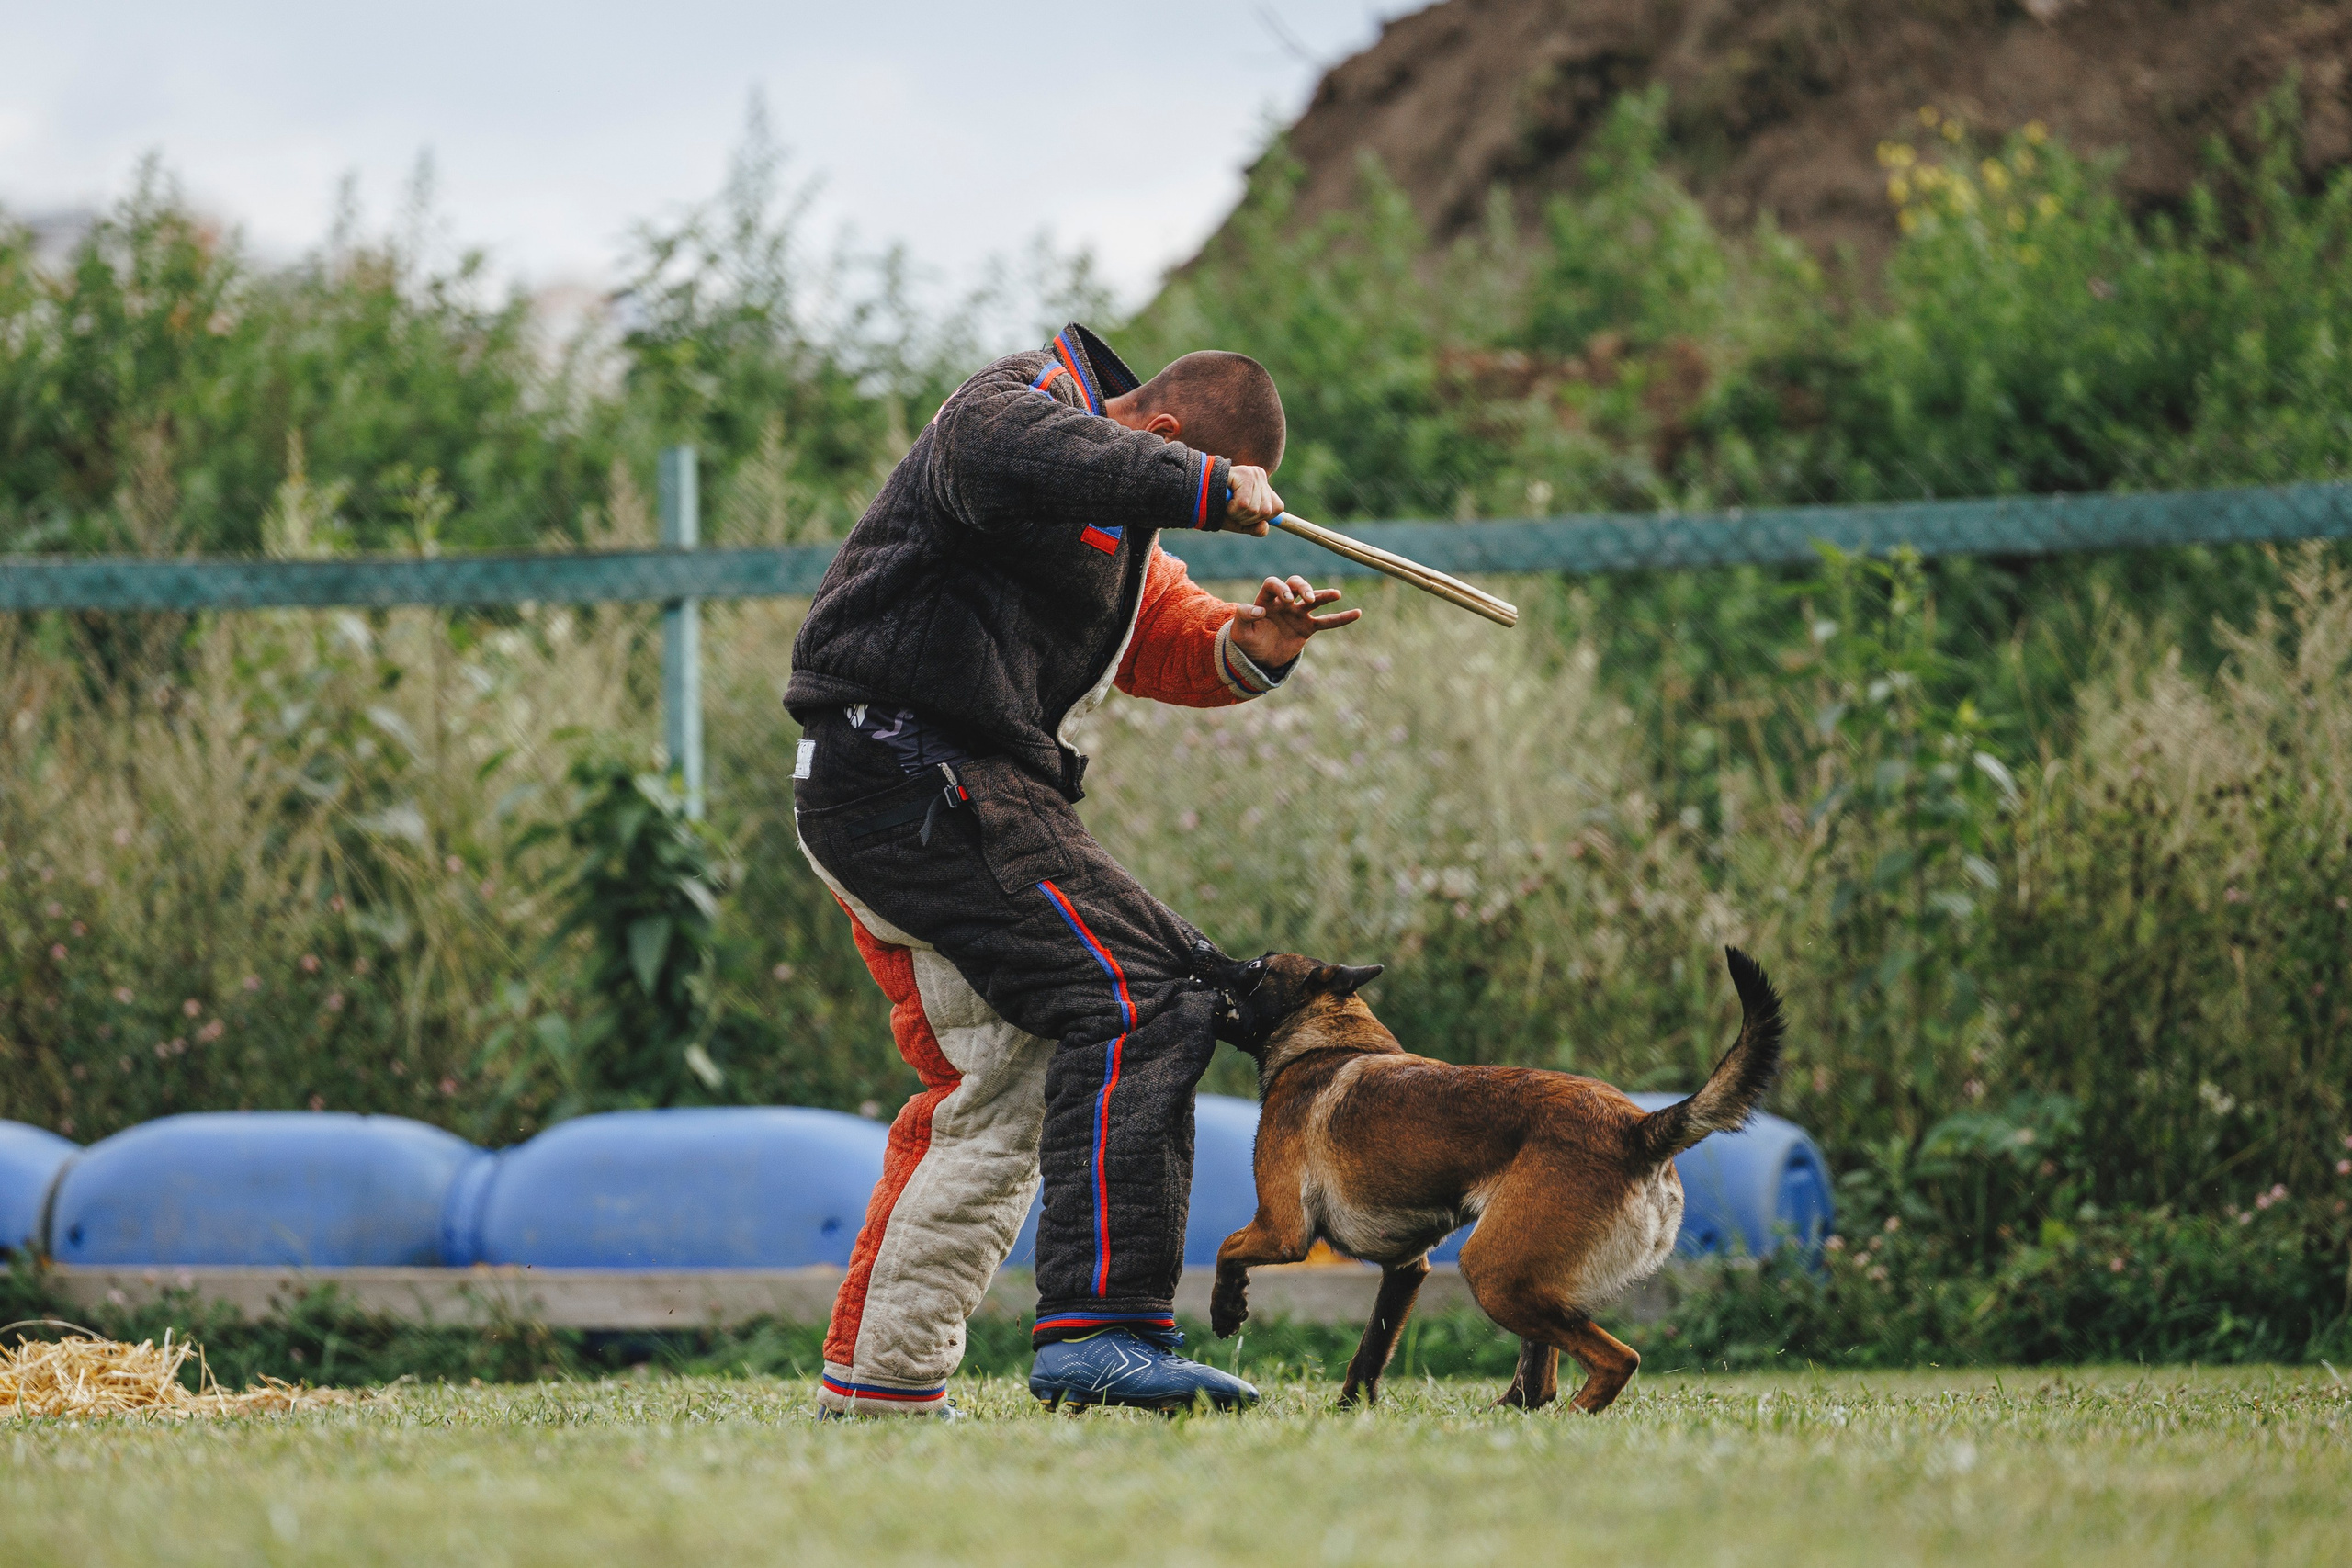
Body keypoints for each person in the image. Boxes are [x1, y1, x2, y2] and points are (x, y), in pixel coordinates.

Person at [786, 322, 1359, 1415]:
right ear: (1160, 430)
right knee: (1146, 997)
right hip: (908, 768)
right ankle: (1102, 1333)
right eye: (1192, 470)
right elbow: (1003, 449)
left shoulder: (1119, 521)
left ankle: (879, 1386)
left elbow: (1160, 631)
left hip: (948, 783)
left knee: (999, 1085)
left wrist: (1251, 645)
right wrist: (1200, 483)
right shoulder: (1019, 406)